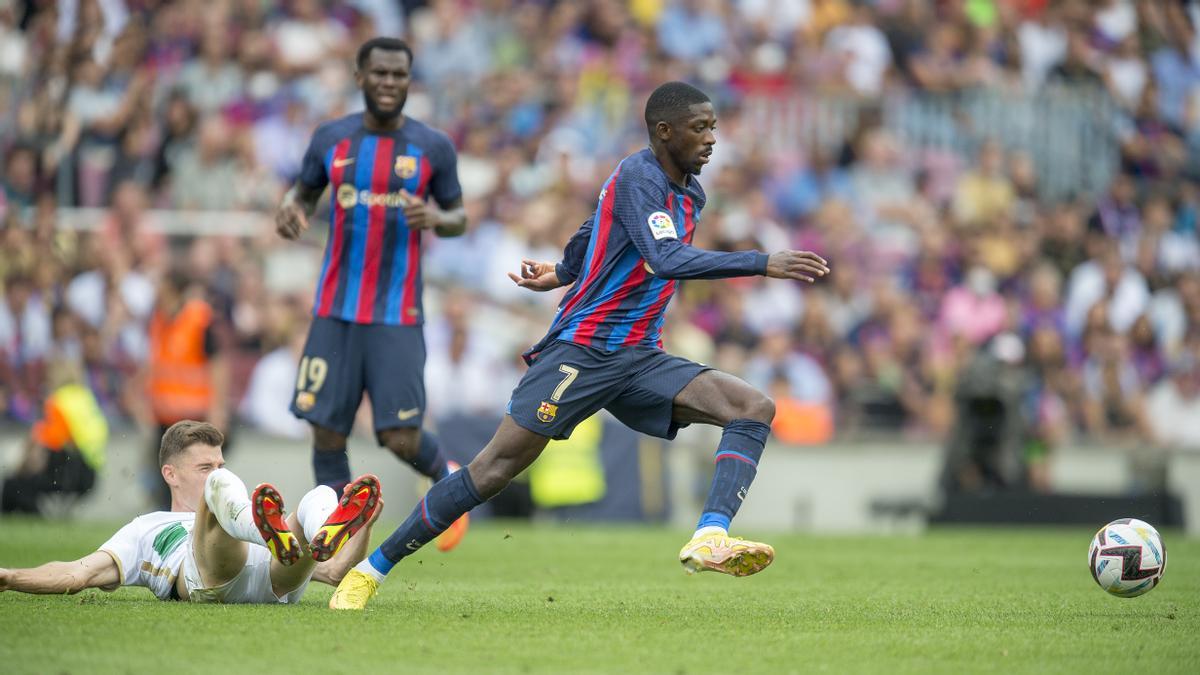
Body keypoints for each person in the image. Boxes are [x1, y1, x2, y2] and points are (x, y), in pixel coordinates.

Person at [329, 81, 831, 609]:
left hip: (639, 356)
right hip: (583, 349)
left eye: (714, 127)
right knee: (493, 469)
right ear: (664, 131)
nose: (712, 138)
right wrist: (760, 261)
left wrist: (564, 270)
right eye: (700, 127)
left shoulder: (689, 192)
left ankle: (709, 535)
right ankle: (370, 570)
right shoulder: (640, 174)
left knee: (753, 407)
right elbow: (665, 258)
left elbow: (599, 227)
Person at [274, 36, 469, 551]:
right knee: (326, 429)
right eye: (379, 73)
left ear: (409, 80)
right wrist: (291, 209)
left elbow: (459, 215)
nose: (388, 83)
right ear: (360, 77)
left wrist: (438, 218)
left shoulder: (432, 147)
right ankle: (341, 531)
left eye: (398, 75)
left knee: (398, 436)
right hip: (334, 309)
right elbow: (302, 193)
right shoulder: (330, 139)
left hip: (397, 315)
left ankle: (448, 479)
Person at [0, 420, 382, 604]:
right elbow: (77, 573)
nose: (214, 471)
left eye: (218, 463)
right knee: (223, 488)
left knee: (318, 495)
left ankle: (327, 527)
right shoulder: (144, 528)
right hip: (212, 577)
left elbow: (334, 573)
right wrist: (10, 576)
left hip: (275, 575)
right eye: (204, 467)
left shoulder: (229, 495)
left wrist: (362, 527)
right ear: (170, 473)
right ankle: (269, 531)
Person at [131, 268, 229, 510]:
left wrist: (218, 408)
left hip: (194, 415)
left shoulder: (198, 318)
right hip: (164, 415)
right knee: (168, 479)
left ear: (172, 288)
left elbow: (217, 362)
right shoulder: (160, 319)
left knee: (193, 475)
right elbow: (157, 363)